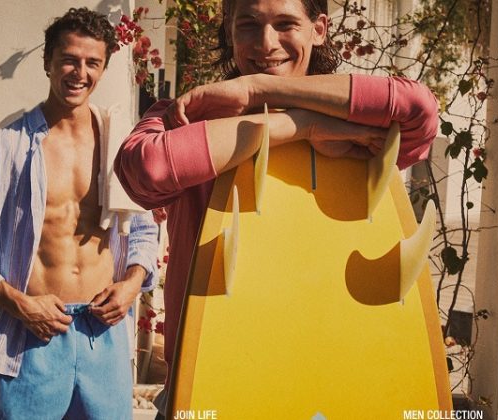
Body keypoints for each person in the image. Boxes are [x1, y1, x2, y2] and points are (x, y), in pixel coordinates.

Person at [114, 0, 439, 415]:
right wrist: (300, 126)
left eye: (286, 24)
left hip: (338, 389)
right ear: (229, 30)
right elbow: (147, 168)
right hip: (209, 387)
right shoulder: (186, 116)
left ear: (319, 29)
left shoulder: (360, 124)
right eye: (249, 25)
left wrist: (260, 89)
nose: (266, 43)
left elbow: (419, 109)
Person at [0, 7, 158, 420]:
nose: (80, 73)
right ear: (48, 62)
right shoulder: (4, 147)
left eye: (92, 63)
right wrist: (18, 304)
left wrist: (132, 283)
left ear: (103, 67)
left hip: (102, 331)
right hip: (31, 331)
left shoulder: (120, 145)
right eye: (69, 60)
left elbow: (143, 229)